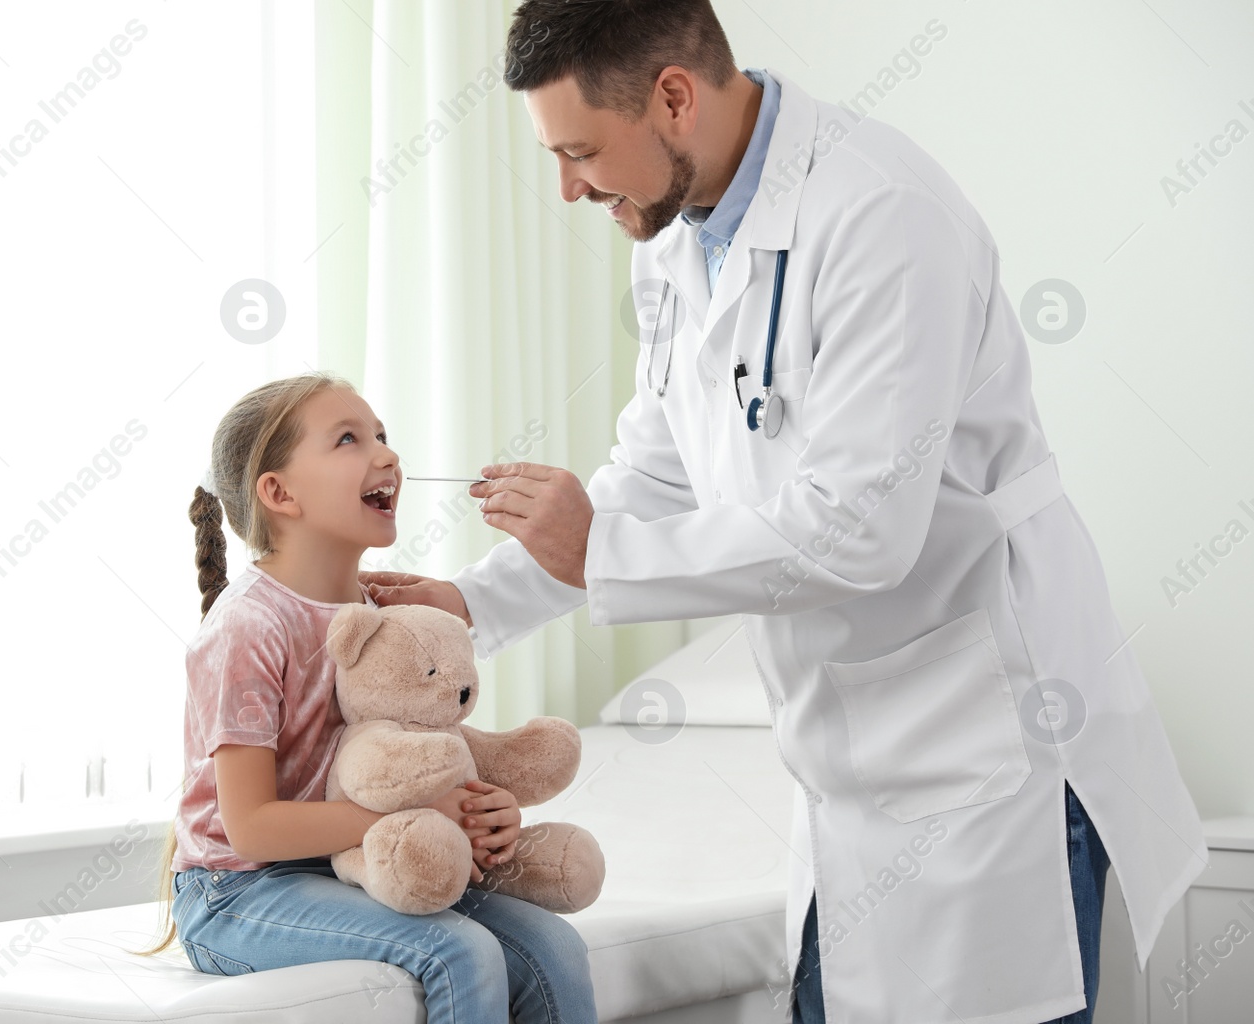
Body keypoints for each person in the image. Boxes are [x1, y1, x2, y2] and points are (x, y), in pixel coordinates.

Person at [363, 3, 1207, 1023]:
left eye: (580, 152)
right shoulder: (676, 242)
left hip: (986, 748)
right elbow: (654, 475)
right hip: (847, 766)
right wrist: (469, 605)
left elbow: (861, 526)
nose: (568, 187)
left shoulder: (880, 215)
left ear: (673, 96)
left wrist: (603, 553)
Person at [131, 371, 599, 1024]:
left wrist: (475, 809)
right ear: (279, 493)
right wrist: (412, 816)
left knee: (554, 947)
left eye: (381, 434)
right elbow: (251, 826)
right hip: (235, 891)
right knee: (458, 953)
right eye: (349, 439)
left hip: (352, 866)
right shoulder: (249, 626)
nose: (386, 453)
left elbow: (412, 755)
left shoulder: (384, 611)